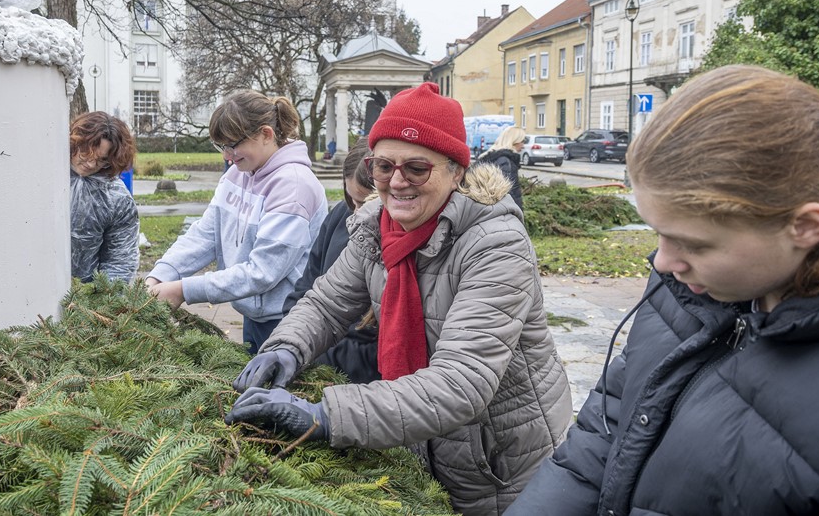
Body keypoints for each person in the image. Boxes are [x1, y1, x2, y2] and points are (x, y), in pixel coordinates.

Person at [507, 64, 819, 515]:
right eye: (656, 232)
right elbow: (605, 433)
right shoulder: (683, 291)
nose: (662, 262)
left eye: (693, 243)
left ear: (806, 226)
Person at [225, 82, 572, 515]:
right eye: (383, 166)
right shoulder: (375, 226)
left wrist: (326, 415)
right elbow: (327, 303)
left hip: (499, 467)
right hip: (420, 447)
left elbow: (461, 383)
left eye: (417, 168)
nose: (397, 182)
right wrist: (285, 348)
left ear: (456, 171)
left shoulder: (496, 245)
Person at [145, 90, 327, 354]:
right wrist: (160, 275)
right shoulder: (237, 175)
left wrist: (184, 289)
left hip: (288, 320)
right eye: (222, 146)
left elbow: (262, 272)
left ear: (266, 134)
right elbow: (205, 235)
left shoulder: (293, 186)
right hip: (254, 314)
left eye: (233, 145)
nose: (226, 156)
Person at [283, 136, 380, 383]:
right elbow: (304, 293)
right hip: (317, 361)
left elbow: (378, 351)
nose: (357, 215)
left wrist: (317, 355)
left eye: (366, 204)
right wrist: (290, 344)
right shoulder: (340, 215)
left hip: (362, 383)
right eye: (352, 201)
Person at [69, 111, 139, 283]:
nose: (91, 164)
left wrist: (99, 302)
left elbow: (120, 261)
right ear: (75, 141)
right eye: (87, 152)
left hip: (83, 300)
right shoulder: (42, 175)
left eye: (102, 160)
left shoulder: (115, 198)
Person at [477, 125, 527, 208]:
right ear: (514, 141)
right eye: (522, 141)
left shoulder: (494, 158)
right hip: (506, 216)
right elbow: (508, 195)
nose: (523, 145)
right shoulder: (505, 162)